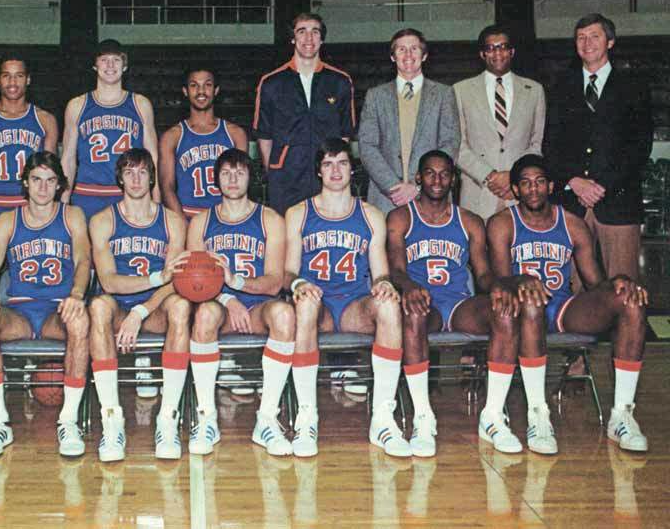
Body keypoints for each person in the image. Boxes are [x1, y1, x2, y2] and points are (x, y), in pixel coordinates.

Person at [486, 155, 649, 454]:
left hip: (561, 308)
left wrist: (619, 283)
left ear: (551, 186)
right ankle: (538, 414)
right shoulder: (501, 223)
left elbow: (594, 282)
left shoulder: (572, 224)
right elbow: (499, 280)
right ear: (515, 190)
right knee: (531, 303)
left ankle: (622, 415)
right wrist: (520, 280)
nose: (533, 189)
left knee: (630, 301)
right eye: (525, 183)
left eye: (539, 182)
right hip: (520, 310)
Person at [386, 150, 537, 456]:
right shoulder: (401, 217)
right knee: (413, 314)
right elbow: (396, 270)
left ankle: (492, 416)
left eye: (444, 174)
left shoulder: (469, 221)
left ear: (453, 179)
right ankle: (423, 418)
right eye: (430, 173)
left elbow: (481, 274)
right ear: (418, 178)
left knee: (504, 311)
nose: (437, 180)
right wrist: (411, 288)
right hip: (422, 302)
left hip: (458, 304)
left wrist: (496, 289)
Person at [285, 139, 407, 458]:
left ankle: (382, 417)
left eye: (341, 162)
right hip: (318, 305)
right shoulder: (298, 213)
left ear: (352, 168)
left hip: (354, 305)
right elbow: (286, 271)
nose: (335, 170)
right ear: (318, 171)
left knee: (390, 305)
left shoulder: (371, 215)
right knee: (306, 303)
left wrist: (385, 285)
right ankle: (306, 416)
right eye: (327, 163)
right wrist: (298, 283)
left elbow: (380, 272)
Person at [0, 152, 92, 458]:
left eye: (50, 181)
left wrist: (77, 295)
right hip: (20, 311)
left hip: (58, 309)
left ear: (59, 186)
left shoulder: (72, 215)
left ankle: (69, 420)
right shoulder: (8, 220)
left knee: (80, 320)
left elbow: (83, 260)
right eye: (36, 180)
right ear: (25, 183)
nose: (42, 188)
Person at [186, 149, 294, 456]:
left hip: (259, 304)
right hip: (219, 305)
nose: (233, 180)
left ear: (251, 177)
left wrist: (237, 283)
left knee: (285, 315)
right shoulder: (201, 223)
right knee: (205, 314)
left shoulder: (270, 219)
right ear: (215, 179)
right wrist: (228, 297)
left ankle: (267, 418)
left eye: (240, 172)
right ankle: (207, 417)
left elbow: (274, 280)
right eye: (226, 173)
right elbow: (194, 284)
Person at [88, 150, 190, 461]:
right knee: (98, 307)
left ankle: (168, 419)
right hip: (118, 308)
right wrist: (156, 277)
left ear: (152, 177)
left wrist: (141, 310)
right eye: (129, 172)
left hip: (153, 308)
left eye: (142, 172)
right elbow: (108, 281)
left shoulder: (173, 221)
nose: (135, 179)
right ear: (119, 178)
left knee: (182, 305)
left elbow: (176, 281)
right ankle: (111, 421)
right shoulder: (102, 220)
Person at [543, 13, 652, 283]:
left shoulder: (634, 86)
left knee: (623, 289)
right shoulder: (560, 87)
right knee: (574, 289)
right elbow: (550, 144)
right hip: (571, 203)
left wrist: (600, 185)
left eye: (594, 36)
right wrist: (574, 181)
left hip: (618, 203)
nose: (587, 42)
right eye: (580, 37)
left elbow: (640, 147)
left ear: (610, 42)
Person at [253, 12, 355, 214]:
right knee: (287, 238)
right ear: (293, 38)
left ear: (322, 38)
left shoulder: (340, 81)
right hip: (286, 178)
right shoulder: (271, 82)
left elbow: (345, 135)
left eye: (315, 32)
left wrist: (335, 170)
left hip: (326, 177)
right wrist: (277, 170)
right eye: (302, 31)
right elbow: (264, 136)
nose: (309, 38)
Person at [359, 28, 460, 214]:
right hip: (386, 198)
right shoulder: (375, 96)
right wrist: (393, 187)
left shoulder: (444, 94)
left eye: (414, 48)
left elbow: (450, 143)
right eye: (401, 49)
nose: (408, 54)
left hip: (431, 196)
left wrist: (418, 186)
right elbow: (366, 146)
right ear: (392, 57)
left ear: (424, 55)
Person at [455, 25, 546, 220]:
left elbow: (536, 143)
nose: (497, 52)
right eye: (491, 48)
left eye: (503, 46)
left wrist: (513, 177)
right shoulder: (460, 91)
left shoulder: (535, 90)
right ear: (482, 54)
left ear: (512, 52)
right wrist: (489, 176)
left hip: (518, 194)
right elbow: (457, 145)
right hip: (477, 194)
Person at [61, 39, 159, 219]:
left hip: (129, 194)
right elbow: (68, 159)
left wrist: (157, 200)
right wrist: (62, 203)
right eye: (104, 59)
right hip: (87, 194)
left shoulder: (140, 104)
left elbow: (153, 158)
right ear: (95, 65)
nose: (110, 65)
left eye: (116, 60)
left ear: (124, 66)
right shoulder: (77, 105)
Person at [0, 55, 59, 216]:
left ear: (28, 80)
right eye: (6, 76)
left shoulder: (45, 119)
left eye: (19, 76)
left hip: (31, 205)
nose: (12, 82)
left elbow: (50, 174)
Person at [158, 67, 247, 219]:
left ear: (216, 90)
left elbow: (243, 183)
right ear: (185, 91)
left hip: (226, 217)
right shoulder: (173, 136)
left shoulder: (235, 134)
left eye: (207, 85)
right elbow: (167, 187)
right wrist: (183, 226)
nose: (201, 91)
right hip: (188, 215)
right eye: (194, 85)